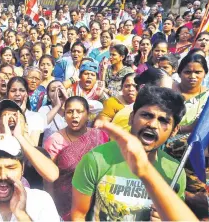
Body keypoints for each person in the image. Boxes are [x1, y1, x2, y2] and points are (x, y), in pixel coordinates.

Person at [71, 86, 187, 221]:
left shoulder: (175, 172)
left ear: (174, 130)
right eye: (146, 115)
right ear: (131, 118)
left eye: (163, 120)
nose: (153, 124)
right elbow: (78, 215)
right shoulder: (97, 159)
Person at [44, 96, 109, 219]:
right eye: (69, 112)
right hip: (64, 205)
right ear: (64, 115)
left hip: (97, 203)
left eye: (79, 111)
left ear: (88, 114)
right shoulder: (54, 141)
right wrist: (50, 207)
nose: (74, 115)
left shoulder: (100, 136)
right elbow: (48, 179)